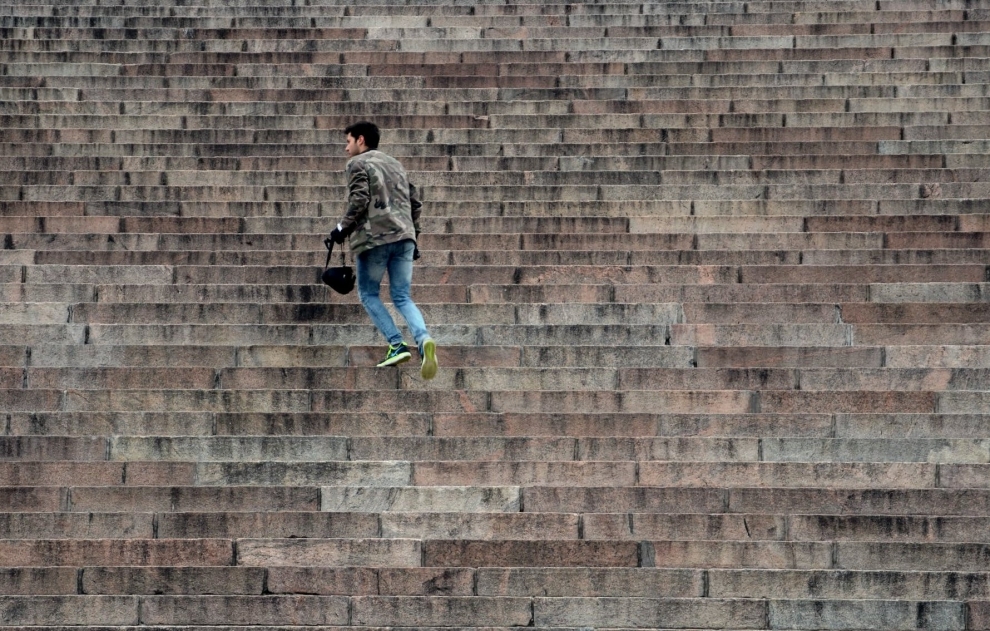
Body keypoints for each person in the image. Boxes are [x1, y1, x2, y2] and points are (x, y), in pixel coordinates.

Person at [329, 121, 438, 380]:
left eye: (348, 141)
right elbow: (415, 202)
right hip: (405, 237)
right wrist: (415, 237)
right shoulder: (396, 165)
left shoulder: (358, 164)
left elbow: (360, 199)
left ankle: (397, 344)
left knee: (368, 293)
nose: (346, 148)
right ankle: (423, 340)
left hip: (374, 238)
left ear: (361, 140)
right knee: (402, 296)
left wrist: (340, 229)